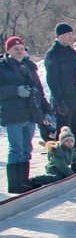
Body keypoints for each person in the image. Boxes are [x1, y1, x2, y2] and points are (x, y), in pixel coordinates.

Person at [1, 36, 52, 193]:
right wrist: (16, 91)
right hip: (13, 114)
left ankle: (24, 180)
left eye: (21, 48)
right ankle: (15, 184)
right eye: (15, 49)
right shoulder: (3, 67)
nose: (19, 51)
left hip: (31, 114)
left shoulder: (29, 67)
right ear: (8, 50)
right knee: (16, 148)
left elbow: (39, 91)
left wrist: (46, 111)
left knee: (27, 148)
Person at [43, 23, 76, 145]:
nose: (70, 37)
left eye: (71, 34)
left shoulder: (71, 52)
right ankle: (59, 163)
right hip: (63, 101)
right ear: (59, 35)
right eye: (68, 34)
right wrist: (60, 102)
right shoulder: (52, 54)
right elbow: (52, 81)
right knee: (64, 137)